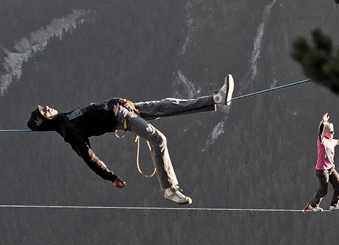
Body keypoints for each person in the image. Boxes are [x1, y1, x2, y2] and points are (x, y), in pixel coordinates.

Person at [26, 75, 234, 205]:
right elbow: (88, 157)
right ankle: (170, 189)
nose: (48, 107)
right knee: (158, 139)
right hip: (122, 118)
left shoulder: (64, 118)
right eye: (44, 111)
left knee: (168, 104)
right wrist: (111, 177)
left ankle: (216, 99)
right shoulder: (67, 130)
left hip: (126, 108)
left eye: (44, 107)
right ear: (45, 120)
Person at [306, 112, 339, 212]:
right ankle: (312, 205)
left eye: (333, 132)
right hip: (322, 170)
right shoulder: (322, 141)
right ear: (326, 132)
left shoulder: (332, 141)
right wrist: (323, 122)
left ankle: (334, 205)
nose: (333, 133)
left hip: (331, 169)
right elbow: (319, 132)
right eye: (331, 132)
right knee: (323, 191)